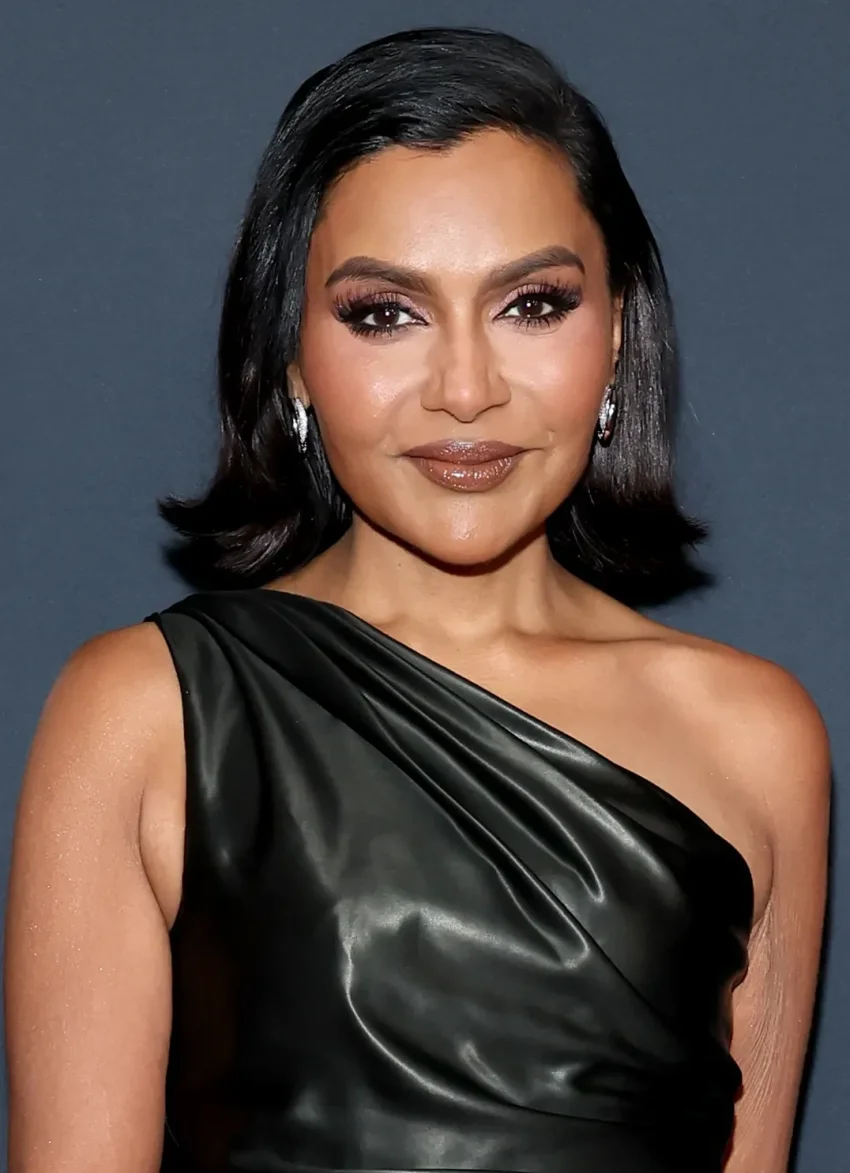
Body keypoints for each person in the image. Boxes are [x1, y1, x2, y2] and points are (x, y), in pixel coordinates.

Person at [4, 25, 830, 1173]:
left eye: (530, 304)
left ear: (617, 332)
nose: (465, 390)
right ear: (291, 356)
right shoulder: (144, 716)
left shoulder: (753, 736)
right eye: (384, 313)